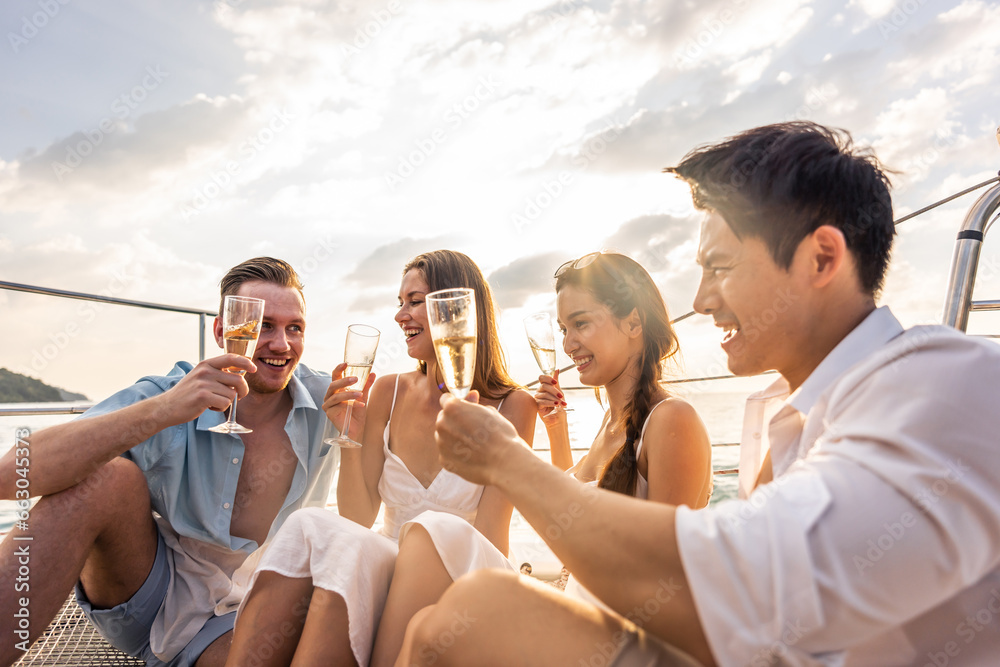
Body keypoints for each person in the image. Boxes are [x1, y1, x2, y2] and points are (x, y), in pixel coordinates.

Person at [400, 122, 1000, 665]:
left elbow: (733, 598)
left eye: (720, 267)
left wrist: (506, 462)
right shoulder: (792, 419)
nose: (701, 299)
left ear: (822, 258)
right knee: (458, 613)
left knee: (471, 613)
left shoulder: (948, 383)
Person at [0, 257, 343, 667]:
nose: (281, 344)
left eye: (295, 328)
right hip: (152, 594)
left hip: (253, 609)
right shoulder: (174, 393)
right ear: (222, 330)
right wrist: (164, 411)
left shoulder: (331, 401)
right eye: (263, 325)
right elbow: (10, 477)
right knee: (108, 477)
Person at [226, 250, 536, 667]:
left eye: (414, 301)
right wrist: (349, 436)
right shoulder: (387, 391)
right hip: (390, 561)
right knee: (310, 522)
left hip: (469, 574)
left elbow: (493, 539)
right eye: (399, 303)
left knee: (434, 527)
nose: (400, 316)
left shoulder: (514, 405)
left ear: (456, 309)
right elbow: (356, 517)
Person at [534, 251, 711, 605]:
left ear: (633, 324)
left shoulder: (671, 420)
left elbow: (666, 578)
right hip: (583, 604)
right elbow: (567, 513)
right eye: (563, 330)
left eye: (580, 324)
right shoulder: (611, 423)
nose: (568, 344)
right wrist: (556, 428)